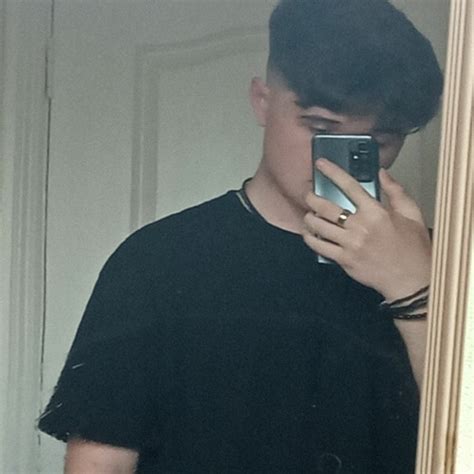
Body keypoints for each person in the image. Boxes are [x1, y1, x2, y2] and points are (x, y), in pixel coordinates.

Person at [38, 0, 443, 472]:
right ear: (262, 101)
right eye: (321, 127)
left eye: (381, 139)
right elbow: (99, 465)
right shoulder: (157, 262)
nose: (339, 160)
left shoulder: (441, 263)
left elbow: (464, 438)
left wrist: (417, 291)